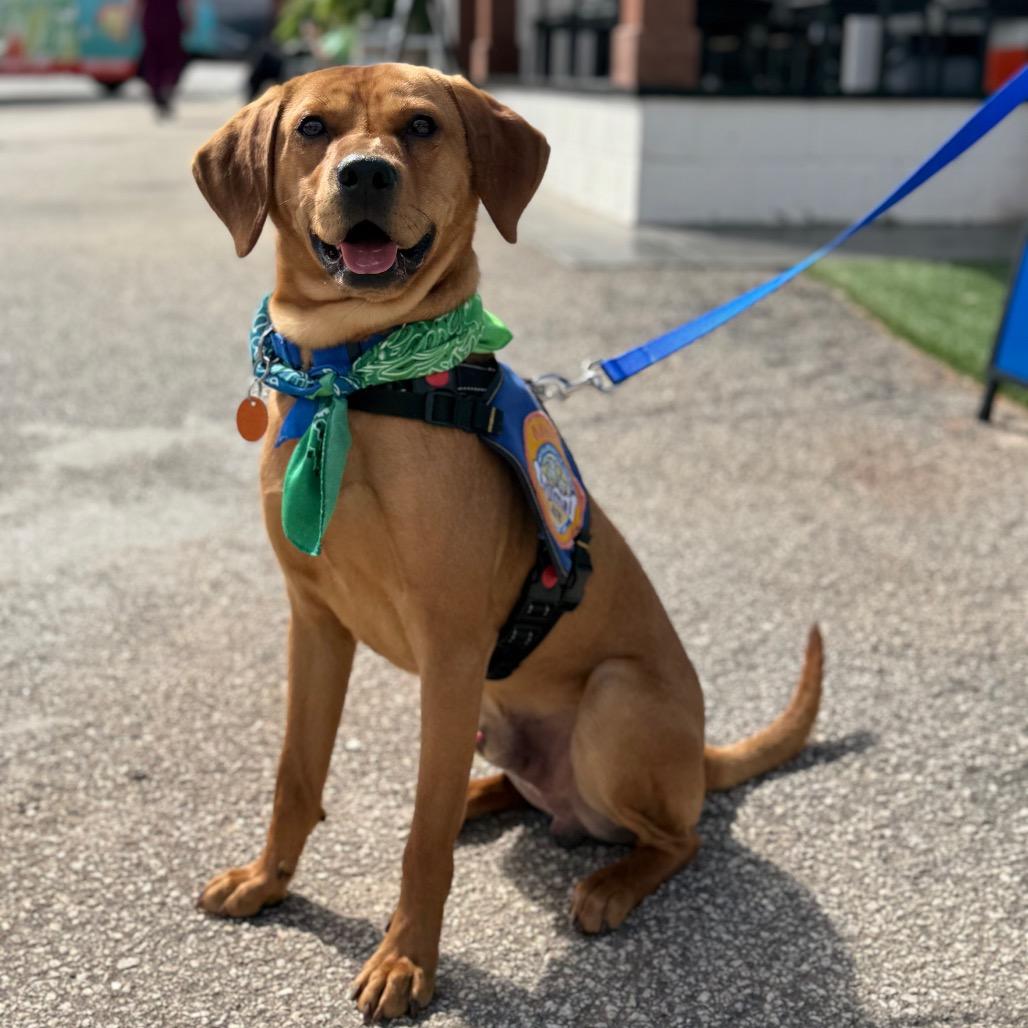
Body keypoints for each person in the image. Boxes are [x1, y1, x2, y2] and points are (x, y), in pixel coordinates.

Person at [132, 0, 192, 116]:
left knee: (154, 60)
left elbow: (137, 4)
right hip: (171, 21)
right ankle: (165, 89)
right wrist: (190, 19)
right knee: (171, 59)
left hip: (152, 21)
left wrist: (132, 21)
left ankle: (157, 89)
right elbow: (188, 3)